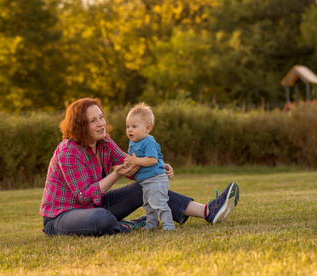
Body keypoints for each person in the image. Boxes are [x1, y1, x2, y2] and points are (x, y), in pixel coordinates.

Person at [40, 98, 240, 236]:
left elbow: (131, 162)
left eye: (101, 117)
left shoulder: (104, 142)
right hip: (62, 216)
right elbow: (83, 195)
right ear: (81, 126)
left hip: (94, 205)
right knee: (101, 218)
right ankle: (131, 225)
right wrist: (115, 175)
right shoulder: (69, 151)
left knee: (145, 186)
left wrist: (159, 167)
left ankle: (207, 211)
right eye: (93, 120)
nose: (101, 123)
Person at [124, 102, 174, 231]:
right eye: (128, 126)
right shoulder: (133, 142)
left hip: (156, 179)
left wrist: (136, 160)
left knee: (159, 203)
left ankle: (169, 226)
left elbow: (152, 160)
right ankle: (150, 225)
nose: (129, 129)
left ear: (147, 128)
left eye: (134, 126)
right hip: (145, 181)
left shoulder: (148, 141)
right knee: (148, 205)